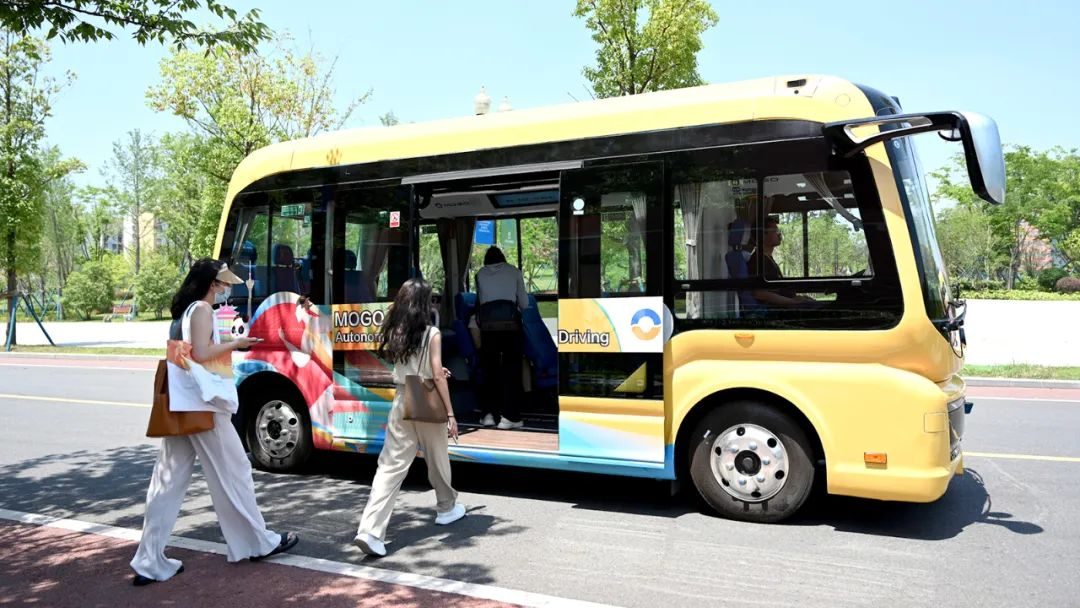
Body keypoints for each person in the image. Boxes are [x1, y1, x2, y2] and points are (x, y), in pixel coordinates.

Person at [130, 259, 298, 586]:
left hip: (180, 403)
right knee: (234, 471)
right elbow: (202, 354)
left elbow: (186, 354)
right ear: (212, 283)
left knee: (167, 482)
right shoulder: (202, 310)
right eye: (223, 284)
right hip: (202, 406)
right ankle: (256, 542)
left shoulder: (184, 311)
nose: (226, 289)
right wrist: (238, 343)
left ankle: (149, 559)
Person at [353, 278, 465, 558]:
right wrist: (450, 413)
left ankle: (370, 531)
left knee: (390, 466)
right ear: (425, 304)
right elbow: (436, 373)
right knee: (437, 458)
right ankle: (446, 508)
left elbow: (410, 365)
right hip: (426, 400)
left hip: (402, 399)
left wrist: (430, 371)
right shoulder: (432, 333)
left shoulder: (396, 331)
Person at [474, 246, 528, 430]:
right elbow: (524, 303)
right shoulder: (514, 272)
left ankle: (488, 415)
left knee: (489, 369)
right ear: (503, 258)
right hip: (511, 328)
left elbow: (481, 301)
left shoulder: (480, 274)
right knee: (511, 370)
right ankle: (509, 417)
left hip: (488, 329)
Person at [748, 215, 818, 308]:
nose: (779, 234)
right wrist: (792, 302)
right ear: (762, 235)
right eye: (775, 231)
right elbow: (759, 293)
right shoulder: (758, 261)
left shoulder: (767, 258)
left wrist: (797, 298)